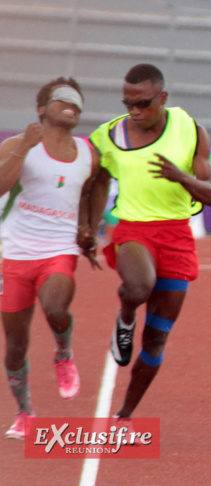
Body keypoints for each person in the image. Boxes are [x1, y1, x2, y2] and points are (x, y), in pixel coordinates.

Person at [78, 63, 211, 420]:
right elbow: (95, 182)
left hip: (176, 235)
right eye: (128, 104)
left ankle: (124, 415)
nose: (134, 111)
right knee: (139, 287)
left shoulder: (190, 129)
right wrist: (89, 228)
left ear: (163, 98)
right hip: (133, 230)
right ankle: (125, 319)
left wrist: (180, 176)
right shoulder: (108, 136)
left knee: (156, 341)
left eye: (142, 104)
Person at [1, 78, 100, 439]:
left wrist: (88, 227)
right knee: (15, 346)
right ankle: (25, 413)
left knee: (56, 307)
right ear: (42, 108)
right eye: (63, 100)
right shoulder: (17, 144)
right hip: (12, 253)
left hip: (58, 249)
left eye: (77, 102)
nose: (71, 105)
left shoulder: (89, 153)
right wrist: (24, 147)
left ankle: (63, 352)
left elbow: (94, 187)